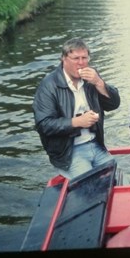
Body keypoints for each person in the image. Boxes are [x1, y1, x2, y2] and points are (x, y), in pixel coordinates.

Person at [33, 37, 120, 180]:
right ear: (63, 59)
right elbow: (44, 125)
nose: (81, 63)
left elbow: (114, 104)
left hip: (96, 145)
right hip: (69, 152)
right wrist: (77, 122)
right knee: (90, 188)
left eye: (84, 58)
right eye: (75, 58)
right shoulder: (49, 85)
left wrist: (99, 82)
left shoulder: (91, 77)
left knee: (119, 182)